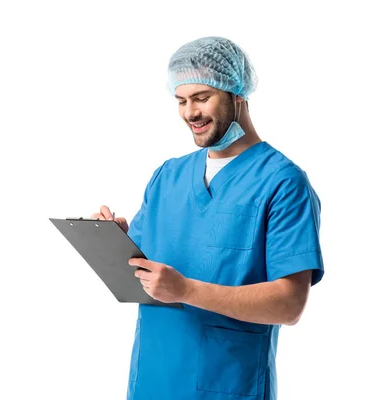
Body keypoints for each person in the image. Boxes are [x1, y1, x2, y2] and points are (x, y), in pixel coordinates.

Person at [91, 36, 324, 400]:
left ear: (238, 93)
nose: (190, 113)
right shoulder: (169, 176)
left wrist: (186, 290)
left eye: (202, 98)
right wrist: (114, 242)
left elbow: (289, 304)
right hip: (151, 381)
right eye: (181, 101)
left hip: (227, 385)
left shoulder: (282, 182)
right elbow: (140, 276)